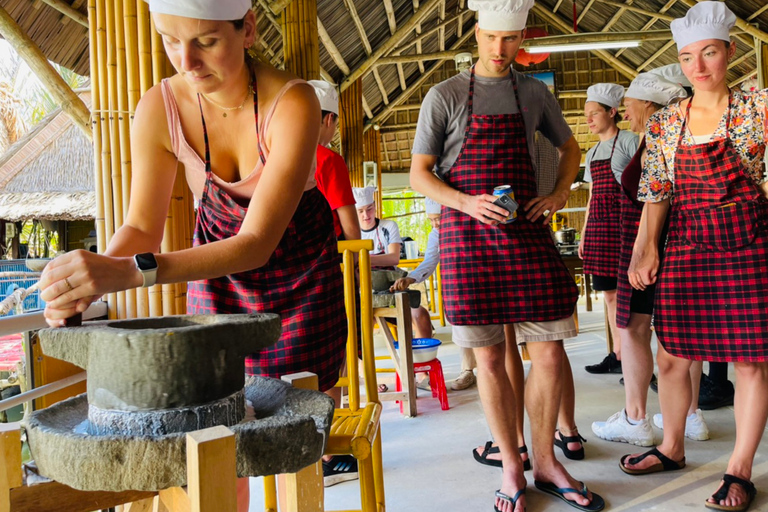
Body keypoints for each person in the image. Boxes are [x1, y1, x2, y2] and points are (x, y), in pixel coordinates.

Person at [38, 1, 346, 510]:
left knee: (295, 437)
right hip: (219, 277)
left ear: (246, 29)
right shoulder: (159, 108)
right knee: (212, 429)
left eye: (206, 41)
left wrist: (132, 273)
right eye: (170, 40)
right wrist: (85, 284)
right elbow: (140, 227)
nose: (186, 60)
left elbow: (256, 243)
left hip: (301, 281)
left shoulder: (294, 103)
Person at [410, 0, 604, 510]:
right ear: (477, 33)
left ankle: (546, 461)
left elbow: (570, 149)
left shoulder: (535, 93)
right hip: (466, 239)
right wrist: (466, 202)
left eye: (510, 40)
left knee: (548, 350)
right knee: (490, 358)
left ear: (522, 40)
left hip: (524, 232)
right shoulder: (445, 94)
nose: (500, 49)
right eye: (492, 38)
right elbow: (420, 173)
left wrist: (559, 194)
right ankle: (512, 467)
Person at [623, 4, 768, 511]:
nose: (699, 66)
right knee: (672, 354)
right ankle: (672, 446)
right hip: (687, 241)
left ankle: (739, 468)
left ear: (729, 51)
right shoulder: (664, 123)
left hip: (749, 240)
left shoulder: (758, 108)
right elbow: (656, 191)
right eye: (688, 57)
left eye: (709, 53)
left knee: (750, 360)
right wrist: (645, 250)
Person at [591, 69, 710, 448]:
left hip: (650, 244)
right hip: (668, 243)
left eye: (629, 105)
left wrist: (645, 249)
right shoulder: (672, 135)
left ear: (650, 105)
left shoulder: (658, 140)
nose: (625, 112)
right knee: (682, 334)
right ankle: (690, 416)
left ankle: (635, 419)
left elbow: (658, 200)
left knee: (633, 329)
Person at [579, 83, 639, 376]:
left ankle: (632, 356)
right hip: (600, 230)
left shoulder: (630, 141)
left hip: (626, 226)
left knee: (630, 295)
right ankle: (618, 355)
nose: (588, 120)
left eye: (594, 114)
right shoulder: (590, 154)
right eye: (586, 115)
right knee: (610, 295)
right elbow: (592, 197)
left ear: (612, 112)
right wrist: (585, 233)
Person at [309, 80, 361, 242]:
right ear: (329, 119)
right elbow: (349, 224)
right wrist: (355, 263)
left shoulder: (277, 153)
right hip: (329, 249)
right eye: (336, 125)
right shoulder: (328, 160)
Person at [355, 186, 402, 269]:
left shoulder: (389, 226)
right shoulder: (353, 233)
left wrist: (361, 260)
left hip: (387, 279)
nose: (366, 215)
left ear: (375, 207)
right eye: (361, 211)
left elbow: (394, 258)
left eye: (369, 209)